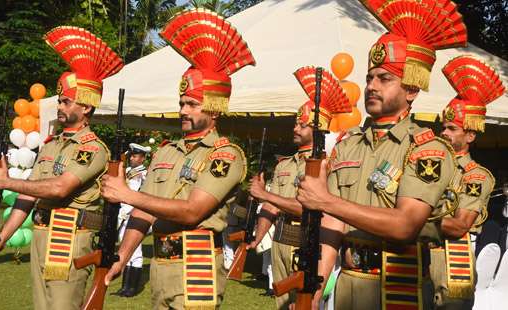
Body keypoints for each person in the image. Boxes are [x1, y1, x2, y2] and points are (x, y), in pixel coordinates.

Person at [296, 1, 467, 309]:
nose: (371, 86)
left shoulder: (427, 148)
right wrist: (316, 287)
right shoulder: (349, 144)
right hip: (347, 286)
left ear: (412, 89)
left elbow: (405, 225)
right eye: (369, 78)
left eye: (384, 79)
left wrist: (324, 200)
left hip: (398, 290)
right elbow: (334, 224)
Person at [100, 9, 255, 309]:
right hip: (162, 267)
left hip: (196, 270)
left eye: (192, 104)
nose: (183, 111)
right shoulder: (166, 150)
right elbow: (143, 212)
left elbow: (191, 212)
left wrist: (126, 194)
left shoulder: (225, 155)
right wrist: (121, 255)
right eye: (181, 103)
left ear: (214, 107)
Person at [0, 26, 123, 310]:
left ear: (86, 108)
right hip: (40, 237)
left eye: (66, 101)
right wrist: (2, 236)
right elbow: (29, 195)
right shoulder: (50, 144)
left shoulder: (93, 148)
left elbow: (60, 188)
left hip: (68, 240)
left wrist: (6, 182)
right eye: (59, 100)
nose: (59, 105)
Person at [247, 66, 350, 309]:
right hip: (281, 243)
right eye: (296, 123)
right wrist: (257, 237)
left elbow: (313, 209)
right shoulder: (286, 164)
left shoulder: (325, 165)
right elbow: (271, 206)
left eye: (302, 125)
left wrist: (264, 194)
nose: (295, 129)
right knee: (282, 304)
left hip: (305, 243)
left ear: (317, 128)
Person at [430, 55, 504, 309]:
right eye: (443, 127)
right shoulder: (431, 164)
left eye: (451, 128)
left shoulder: (476, 175)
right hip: (420, 255)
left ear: (470, 134)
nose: (443, 133)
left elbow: (458, 225)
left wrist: (411, 217)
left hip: (453, 258)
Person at [112, 142, 151, 297]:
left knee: (135, 251)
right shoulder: (127, 171)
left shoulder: (143, 175)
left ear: (142, 159)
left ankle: (133, 287)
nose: (132, 159)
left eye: (135, 156)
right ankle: (125, 286)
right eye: (132, 156)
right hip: (123, 215)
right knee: (125, 250)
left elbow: (139, 197)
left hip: (134, 216)